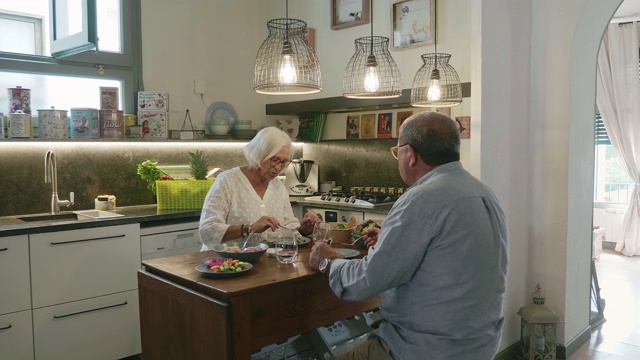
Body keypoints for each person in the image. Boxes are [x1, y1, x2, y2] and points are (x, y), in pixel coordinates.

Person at [309, 111, 509, 359]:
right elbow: (452, 256)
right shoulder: (484, 193)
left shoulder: (419, 200)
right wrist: (390, 238)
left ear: (411, 155)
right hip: (479, 344)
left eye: (397, 151)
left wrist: (329, 261)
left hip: (424, 349)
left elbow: (367, 282)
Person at [199, 126, 320, 250]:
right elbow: (208, 230)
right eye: (274, 160)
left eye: (284, 162)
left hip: (263, 262)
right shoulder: (227, 181)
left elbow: (287, 227)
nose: (279, 168)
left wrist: (303, 230)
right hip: (225, 264)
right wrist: (249, 228)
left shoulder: (278, 185)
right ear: (259, 154)